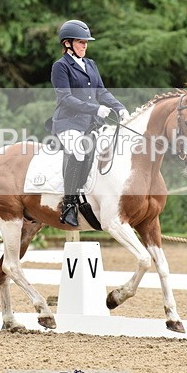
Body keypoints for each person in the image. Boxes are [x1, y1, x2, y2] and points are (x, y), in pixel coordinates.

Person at [48, 19, 130, 226]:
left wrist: (119, 107)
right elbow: (65, 98)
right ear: (67, 44)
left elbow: (101, 91)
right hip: (68, 123)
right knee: (78, 150)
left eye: (86, 42)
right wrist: (96, 109)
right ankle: (68, 204)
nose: (85, 45)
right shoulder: (61, 66)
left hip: (91, 124)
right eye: (80, 42)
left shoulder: (91, 64)